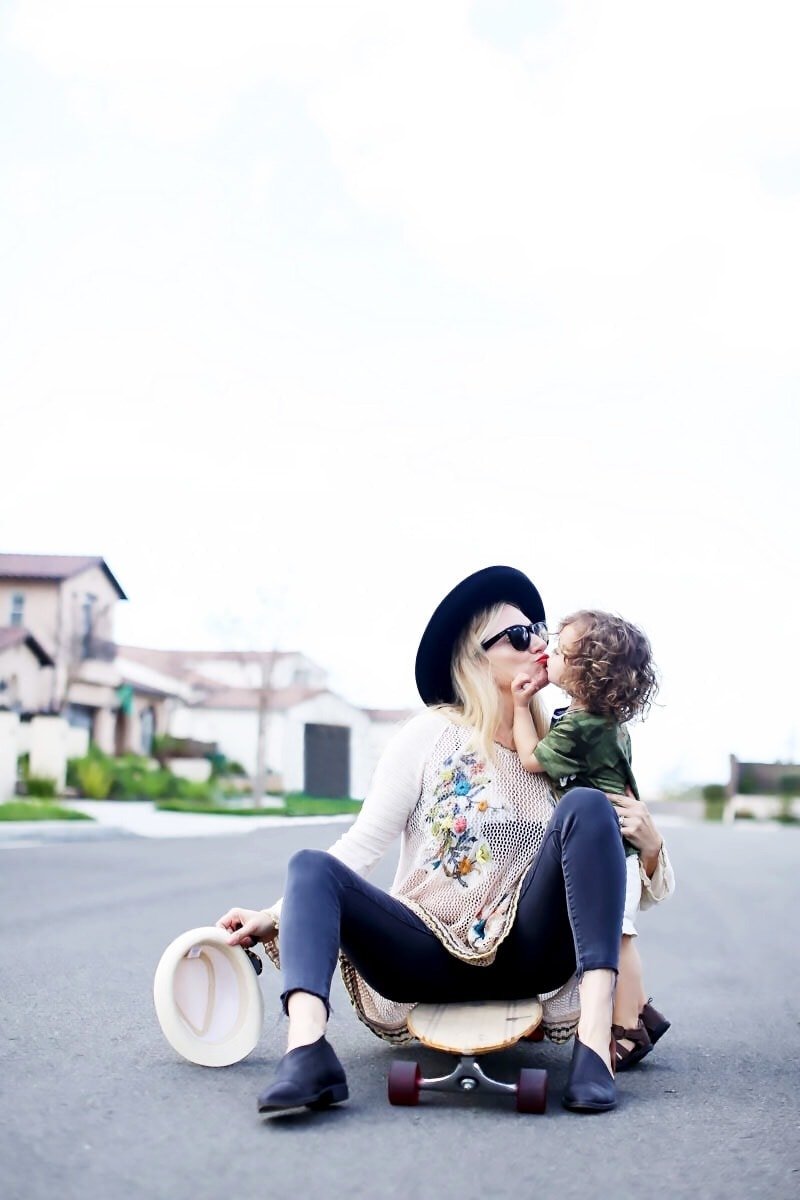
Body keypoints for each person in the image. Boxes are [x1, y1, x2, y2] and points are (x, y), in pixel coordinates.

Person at [217, 567, 674, 1116]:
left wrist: (649, 848)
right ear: (477, 657)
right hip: (424, 949)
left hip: (528, 952)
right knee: (310, 864)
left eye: (541, 629)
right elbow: (361, 845)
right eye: (520, 635)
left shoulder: (570, 741)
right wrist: (275, 914)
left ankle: (594, 1048)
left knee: (588, 805)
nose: (540, 644)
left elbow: (607, 881)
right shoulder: (427, 735)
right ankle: (307, 1052)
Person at [510, 609, 671, 1069]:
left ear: (585, 676)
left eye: (559, 654)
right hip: (619, 847)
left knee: (617, 939)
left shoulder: (581, 728)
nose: (548, 657)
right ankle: (643, 1014)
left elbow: (532, 760)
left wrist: (521, 707)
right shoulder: (605, 723)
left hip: (609, 851)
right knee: (621, 937)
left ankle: (626, 1031)